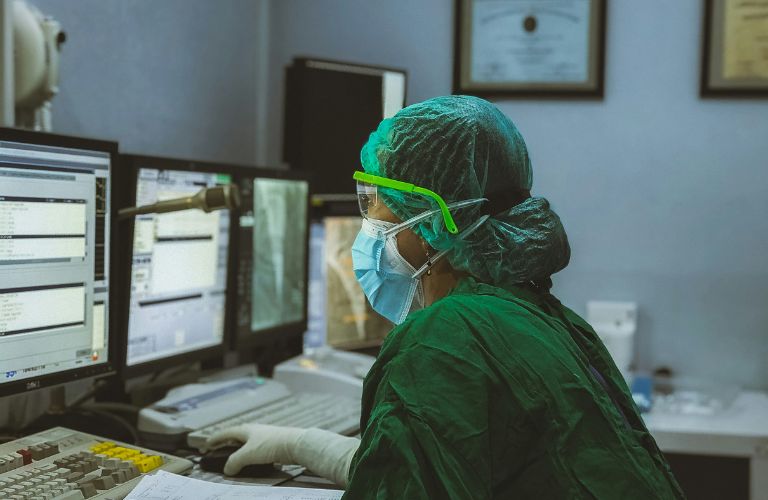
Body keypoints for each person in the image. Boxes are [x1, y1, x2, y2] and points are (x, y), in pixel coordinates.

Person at [208, 96, 684, 499]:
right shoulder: (539, 315)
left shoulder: (445, 339)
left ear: (433, 221)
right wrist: (301, 445)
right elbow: (431, 472)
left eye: (373, 200)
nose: (367, 219)